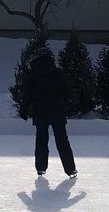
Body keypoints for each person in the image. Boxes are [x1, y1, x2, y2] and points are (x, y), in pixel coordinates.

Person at [19, 45, 77, 179]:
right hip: (57, 111)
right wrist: (71, 103)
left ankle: (40, 169)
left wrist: (24, 110)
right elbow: (68, 92)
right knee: (62, 141)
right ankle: (70, 170)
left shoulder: (33, 74)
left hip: (40, 113)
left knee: (41, 141)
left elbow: (27, 94)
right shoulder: (58, 73)